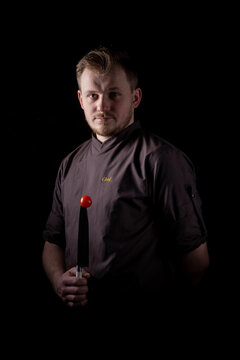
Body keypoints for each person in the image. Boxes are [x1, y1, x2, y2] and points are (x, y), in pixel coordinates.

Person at [42, 46, 210, 328]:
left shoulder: (160, 161)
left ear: (135, 97)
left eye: (114, 94)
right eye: (93, 95)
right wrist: (60, 281)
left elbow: (197, 261)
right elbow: (52, 243)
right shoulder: (70, 164)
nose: (102, 106)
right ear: (81, 99)